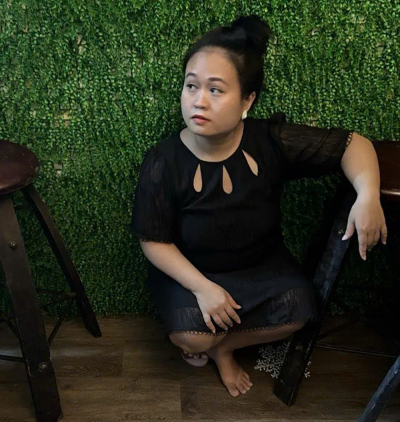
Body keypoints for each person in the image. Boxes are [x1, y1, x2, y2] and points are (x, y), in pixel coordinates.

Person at [130, 15, 387, 398]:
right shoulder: (162, 161)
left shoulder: (270, 140)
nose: (199, 100)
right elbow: (153, 240)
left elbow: (353, 144)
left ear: (247, 100)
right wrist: (203, 288)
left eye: (216, 90)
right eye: (191, 85)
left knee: (301, 312)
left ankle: (225, 348)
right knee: (191, 337)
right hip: (191, 271)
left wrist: (368, 195)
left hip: (261, 266)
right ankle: (209, 343)